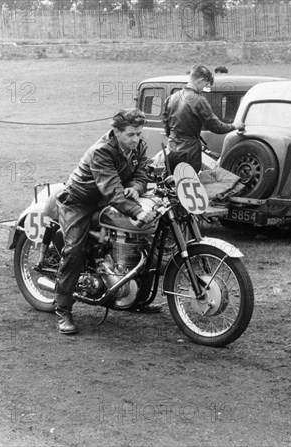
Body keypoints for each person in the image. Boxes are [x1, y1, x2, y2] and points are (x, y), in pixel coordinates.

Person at [53, 108, 157, 335]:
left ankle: (133, 294)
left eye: (139, 133)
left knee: (144, 240)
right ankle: (62, 309)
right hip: (79, 202)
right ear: (116, 132)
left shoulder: (137, 147)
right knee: (74, 250)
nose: (136, 138)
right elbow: (111, 189)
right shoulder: (101, 151)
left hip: (106, 201)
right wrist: (136, 211)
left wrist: (136, 188)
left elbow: (142, 173)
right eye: (131, 134)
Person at [162, 65, 245, 173]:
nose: (203, 89)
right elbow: (216, 127)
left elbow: (166, 126)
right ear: (200, 81)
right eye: (205, 85)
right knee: (189, 185)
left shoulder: (171, 98)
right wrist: (234, 126)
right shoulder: (199, 100)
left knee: (171, 184)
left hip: (172, 149)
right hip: (189, 152)